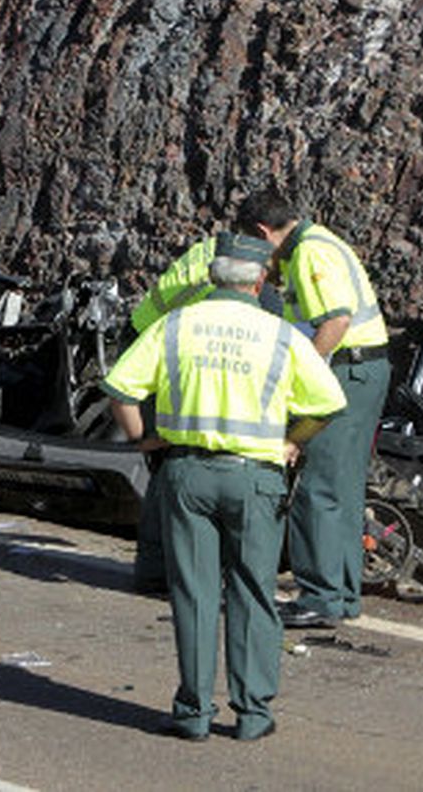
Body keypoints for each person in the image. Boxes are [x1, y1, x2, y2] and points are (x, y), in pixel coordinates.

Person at [101, 236, 346, 741]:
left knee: (192, 591)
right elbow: (326, 405)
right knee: (253, 592)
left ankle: (193, 712)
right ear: (258, 282)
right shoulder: (280, 336)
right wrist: (290, 443)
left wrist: (144, 441)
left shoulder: (175, 326)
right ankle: (253, 712)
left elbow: (121, 390)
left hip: (186, 472)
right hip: (255, 478)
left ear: (213, 278)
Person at [241, 189, 390, 629]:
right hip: (364, 371)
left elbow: (336, 321)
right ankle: (341, 594)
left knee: (317, 486)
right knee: (343, 486)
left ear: (262, 232)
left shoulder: (308, 254)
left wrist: (305, 376)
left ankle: (322, 597)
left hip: (346, 372)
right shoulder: (321, 241)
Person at [129, 227, 281, 594]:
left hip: (152, 342)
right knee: (186, 469)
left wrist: (141, 438)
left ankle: (155, 570)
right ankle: (193, 572)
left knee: (167, 465)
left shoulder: (208, 255)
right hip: (179, 356)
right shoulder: (254, 290)